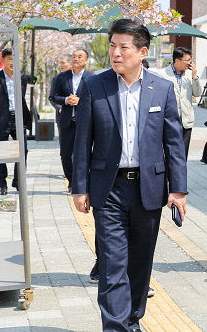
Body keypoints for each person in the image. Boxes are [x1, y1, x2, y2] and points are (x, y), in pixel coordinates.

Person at [72, 18, 188, 332]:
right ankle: (115, 326)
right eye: (113, 46)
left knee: (139, 263)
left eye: (124, 47)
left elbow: (174, 142)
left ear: (142, 51)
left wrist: (178, 190)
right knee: (112, 264)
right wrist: (79, 187)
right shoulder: (95, 85)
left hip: (148, 188)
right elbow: (82, 140)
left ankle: (132, 319)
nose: (116, 53)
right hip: (108, 188)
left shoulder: (162, 89)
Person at [0, 48, 33, 195]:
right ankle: (2, 184)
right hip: (0, 120)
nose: (12, 62)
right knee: (0, 154)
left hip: (18, 119)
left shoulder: (22, 78)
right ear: (3, 60)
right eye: (10, 58)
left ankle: (18, 182)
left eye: (15, 58)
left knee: (22, 151)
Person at [49, 49, 94, 193]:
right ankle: (71, 180)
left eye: (80, 57)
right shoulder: (62, 77)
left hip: (84, 122)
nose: (76, 59)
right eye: (74, 56)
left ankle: (82, 182)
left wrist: (81, 101)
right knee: (65, 154)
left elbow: (96, 99)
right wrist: (66, 100)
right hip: (67, 121)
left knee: (84, 153)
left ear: (86, 60)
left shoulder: (92, 78)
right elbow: (53, 97)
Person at [156, 46, 202, 158]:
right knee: (170, 154)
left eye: (190, 60)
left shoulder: (189, 75)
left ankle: (181, 175)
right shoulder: (162, 75)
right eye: (187, 60)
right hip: (169, 121)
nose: (189, 63)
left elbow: (197, 93)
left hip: (186, 121)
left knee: (183, 155)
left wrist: (195, 76)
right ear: (177, 60)